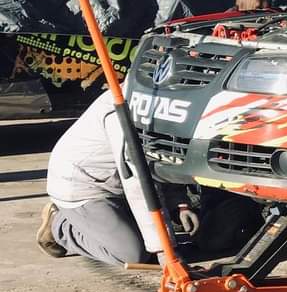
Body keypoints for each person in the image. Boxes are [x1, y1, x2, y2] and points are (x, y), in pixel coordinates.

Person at [36, 91, 198, 265]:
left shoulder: (169, 96)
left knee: (155, 237)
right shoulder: (120, 111)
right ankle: (60, 225)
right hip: (84, 188)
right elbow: (138, 181)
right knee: (132, 254)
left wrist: (179, 203)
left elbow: (166, 156)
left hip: (116, 183)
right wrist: (164, 251)